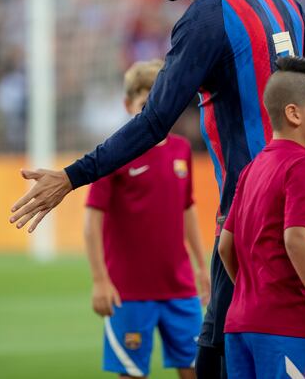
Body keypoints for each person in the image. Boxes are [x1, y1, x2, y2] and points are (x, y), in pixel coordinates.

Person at [10, 0, 305, 376]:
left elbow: (154, 122)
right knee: (213, 351)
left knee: (229, 356)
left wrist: (70, 177)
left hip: (252, 221)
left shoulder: (205, 20)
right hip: (278, 213)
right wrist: (300, 154)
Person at [84, 59, 209, 379]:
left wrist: (200, 265)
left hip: (179, 288)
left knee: (198, 369)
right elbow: (92, 222)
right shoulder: (114, 152)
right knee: (131, 373)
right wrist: (100, 279)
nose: (153, 112)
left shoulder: (181, 150)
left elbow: (188, 209)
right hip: (129, 292)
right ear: (128, 105)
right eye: (144, 103)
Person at [218, 57, 305, 377]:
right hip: (290, 326)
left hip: (240, 325)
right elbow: (297, 236)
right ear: (294, 113)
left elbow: (224, 246)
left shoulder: (251, 168)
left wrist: (255, 292)